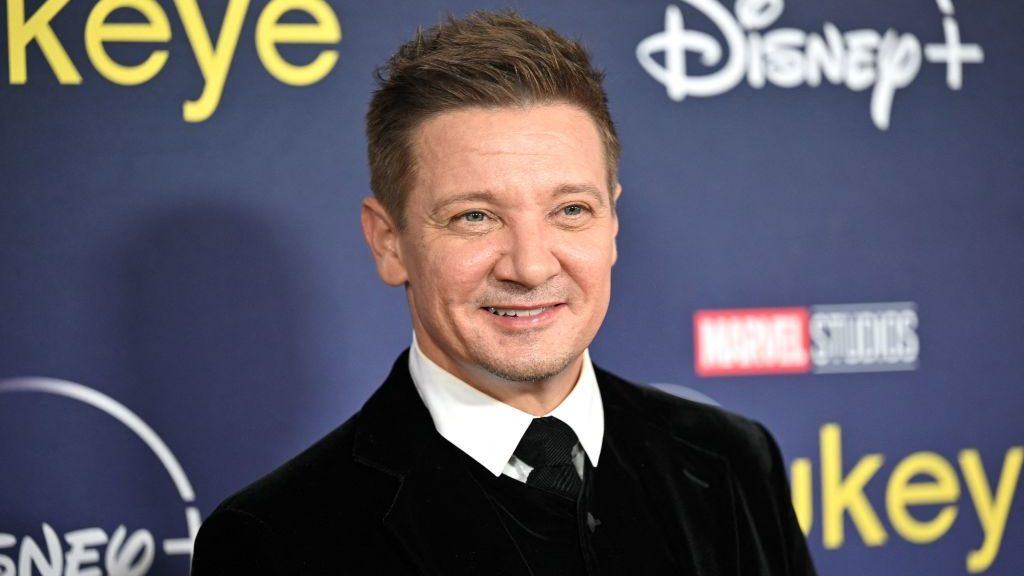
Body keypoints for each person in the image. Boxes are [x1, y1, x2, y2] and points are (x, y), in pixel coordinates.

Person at [191, 10, 816, 576]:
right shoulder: (276, 542)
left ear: (612, 223)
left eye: (570, 210)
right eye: (475, 217)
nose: (531, 266)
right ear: (389, 242)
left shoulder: (732, 462)